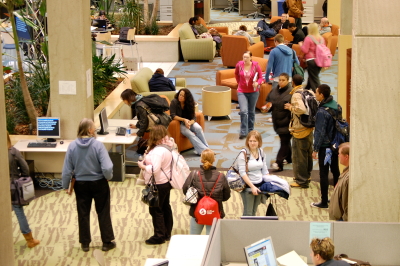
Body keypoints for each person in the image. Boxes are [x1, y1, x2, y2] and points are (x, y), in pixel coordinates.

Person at [62, 118, 115, 252]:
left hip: (81, 184)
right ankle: (106, 242)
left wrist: (65, 185)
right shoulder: (98, 145)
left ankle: (85, 243)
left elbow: (67, 169)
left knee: (83, 213)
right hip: (99, 183)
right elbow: (107, 167)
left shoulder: (72, 146)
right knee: (103, 212)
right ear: (90, 130)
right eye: (94, 128)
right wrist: (108, 177)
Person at [137, 125, 174, 245]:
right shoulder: (168, 147)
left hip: (158, 183)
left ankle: (159, 236)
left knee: (156, 209)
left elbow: (154, 169)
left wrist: (143, 166)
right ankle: (167, 232)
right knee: (165, 207)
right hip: (166, 182)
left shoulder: (158, 151)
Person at [182, 149, 231, 234]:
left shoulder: (194, 174)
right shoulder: (221, 176)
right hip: (214, 211)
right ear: (214, 160)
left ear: (201, 160)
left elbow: (185, 190)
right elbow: (226, 196)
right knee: (211, 240)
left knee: (193, 239)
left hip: (197, 211)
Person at [7, 132, 40, 248]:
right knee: (19, 212)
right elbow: (25, 168)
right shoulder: (13, 152)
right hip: (12, 187)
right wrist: (22, 178)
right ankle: (30, 240)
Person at [311, 84, 340, 209]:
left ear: (322, 95)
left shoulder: (322, 112)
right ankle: (338, 198)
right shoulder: (337, 106)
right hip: (336, 145)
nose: (315, 94)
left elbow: (320, 132)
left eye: (316, 93)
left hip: (325, 147)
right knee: (336, 171)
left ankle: (323, 201)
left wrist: (315, 149)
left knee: (323, 174)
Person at [284, 74, 314, 188]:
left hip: (300, 129)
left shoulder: (296, 95)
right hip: (309, 128)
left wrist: (291, 107)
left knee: (299, 156)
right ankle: (307, 175)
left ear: (292, 83)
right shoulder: (309, 92)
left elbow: (301, 109)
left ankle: (301, 180)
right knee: (307, 154)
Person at [238, 130, 270, 216]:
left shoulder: (261, 152)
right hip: (248, 187)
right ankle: (245, 229)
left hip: (259, 185)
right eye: (250, 141)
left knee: (254, 211)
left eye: (255, 141)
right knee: (248, 213)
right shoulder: (243, 154)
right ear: (247, 141)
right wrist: (252, 187)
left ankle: (251, 229)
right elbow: (242, 172)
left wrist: (269, 183)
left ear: (259, 142)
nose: (252, 143)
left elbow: (264, 169)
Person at [266, 73, 292, 172]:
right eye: (279, 80)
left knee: (284, 142)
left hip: (287, 121)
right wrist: (268, 107)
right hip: (277, 121)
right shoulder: (275, 91)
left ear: (287, 81)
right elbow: (271, 103)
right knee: (285, 141)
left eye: (283, 80)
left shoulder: (291, 93)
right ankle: (289, 158)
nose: (280, 82)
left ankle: (279, 163)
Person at [170, 88, 208, 154]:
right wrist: (184, 120)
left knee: (198, 128)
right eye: (180, 95)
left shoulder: (190, 104)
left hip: (189, 122)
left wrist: (190, 123)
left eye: (183, 96)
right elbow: (172, 115)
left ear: (186, 98)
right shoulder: (174, 102)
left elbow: (193, 117)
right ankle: (205, 151)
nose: (180, 97)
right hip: (179, 123)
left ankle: (207, 149)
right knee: (190, 134)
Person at [235, 51, 264, 139]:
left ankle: (251, 130)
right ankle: (243, 131)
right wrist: (239, 83)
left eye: (247, 57)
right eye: (244, 57)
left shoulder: (256, 66)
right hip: (242, 91)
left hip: (254, 91)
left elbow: (261, 77)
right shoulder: (239, 65)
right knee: (243, 111)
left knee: (251, 112)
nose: (245, 59)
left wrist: (257, 83)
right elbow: (236, 74)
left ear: (251, 58)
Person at [300, 23, 325, 92]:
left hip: (311, 60)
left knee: (314, 78)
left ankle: (319, 93)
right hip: (320, 60)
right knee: (312, 76)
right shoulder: (321, 38)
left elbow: (305, 50)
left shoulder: (308, 38)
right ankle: (306, 89)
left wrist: (301, 45)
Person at [329, 142, 350, 221]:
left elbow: (347, 203)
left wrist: (344, 219)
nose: (338, 156)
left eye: (339, 154)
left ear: (346, 157)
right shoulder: (345, 172)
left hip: (342, 219)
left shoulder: (348, 177)